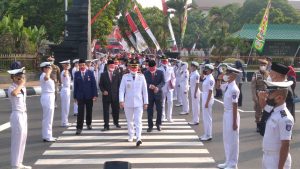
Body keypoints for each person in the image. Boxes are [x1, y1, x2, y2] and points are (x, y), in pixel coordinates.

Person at [262, 80, 294, 169]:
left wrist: (280, 167)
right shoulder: (273, 110)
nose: (267, 96)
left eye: (269, 94)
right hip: (267, 156)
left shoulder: (285, 118)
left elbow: (285, 145)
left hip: (276, 160)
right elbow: (263, 107)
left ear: (279, 98)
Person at [119, 59, 148, 146]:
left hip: (139, 102)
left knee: (138, 121)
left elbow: (145, 91)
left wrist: (146, 102)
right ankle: (131, 135)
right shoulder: (125, 77)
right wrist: (121, 101)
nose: (134, 68)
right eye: (132, 66)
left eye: (136, 67)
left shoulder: (141, 77)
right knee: (130, 120)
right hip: (128, 102)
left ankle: (138, 137)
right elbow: (121, 90)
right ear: (129, 67)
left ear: (138, 67)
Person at [258, 62, 292, 136]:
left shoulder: (285, 90)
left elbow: (285, 114)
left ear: (279, 76)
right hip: (268, 125)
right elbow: (267, 107)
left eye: (272, 74)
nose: (270, 76)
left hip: (277, 129)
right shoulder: (274, 86)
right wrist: (261, 98)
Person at [7, 65, 32, 169]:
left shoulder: (22, 88)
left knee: (23, 138)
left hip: (23, 114)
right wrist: (21, 84)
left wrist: (21, 84)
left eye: (22, 77)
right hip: (16, 114)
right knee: (17, 139)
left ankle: (19, 162)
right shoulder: (12, 88)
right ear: (14, 78)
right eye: (19, 77)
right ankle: (15, 164)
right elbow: (14, 93)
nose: (22, 79)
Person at [218, 65, 241, 169]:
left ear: (233, 75)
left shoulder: (234, 89)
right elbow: (218, 87)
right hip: (226, 113)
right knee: (226, 138)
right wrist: (220, 77)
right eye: (226, 73)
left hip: (232, 114)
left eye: (228, 74)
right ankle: (228, 161)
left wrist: (235, 121)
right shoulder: (228, 85)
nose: (226, 75)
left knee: (233, 140)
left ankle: (233, 163)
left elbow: (235, 105)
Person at [73, 59, 98, 135]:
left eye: (83, 65)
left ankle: (88, 124)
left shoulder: (90, 72)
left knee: (89, 111)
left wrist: (95, 95)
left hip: (89, 95)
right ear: (78, 66)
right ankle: (79, 128)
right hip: (80, 96)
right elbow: (75, 86)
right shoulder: (76, 74)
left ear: (85, 65)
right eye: (80, 65)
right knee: (80, 113)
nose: (82, 66)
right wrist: (75, 96)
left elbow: (93, 84)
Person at [99, 59, 121, 131]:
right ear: (108, 66)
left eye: (113, 65)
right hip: (106, 96)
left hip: (115, 95)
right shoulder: (103, 74)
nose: (112, 66)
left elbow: (120, 85)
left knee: (116, 110)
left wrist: (120, 94)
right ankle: (106, 125)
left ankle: (116, 122)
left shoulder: (117, 74)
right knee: (106, 111)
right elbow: (100, 84)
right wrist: (103, 90)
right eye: (110, 65)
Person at [144, 60, 165, 132]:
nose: (151, 70)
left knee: (159, 109)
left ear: (155, 66)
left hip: (158, 93)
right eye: (150, 68)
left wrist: (158, 87)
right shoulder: (145, 73)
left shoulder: (160, 72)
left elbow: (163, 82)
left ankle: (158, 124)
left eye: (153, 68)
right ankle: (150, 126)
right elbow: (143, 83)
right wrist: (149, 86)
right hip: (149, 94)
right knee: (149, 110)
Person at [40, 62, 57, 142]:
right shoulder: (44, 75)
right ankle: (47, 136)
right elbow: (46, 78)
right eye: (48, 68)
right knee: (48, 118)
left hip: (50, 96)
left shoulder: (47, 75)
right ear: (44, 68)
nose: (50, 69)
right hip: (47, 97)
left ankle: (46, 135)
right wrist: (49, 72)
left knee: (48, 117)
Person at [251, 59, 269, 132]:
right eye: (261, 65)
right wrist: (254, 96)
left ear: (266, 66)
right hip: (258, 94)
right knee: (258, 111)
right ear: (259, 65)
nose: (263, 66)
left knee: (267, 110)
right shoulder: (255, 74)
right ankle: (258, 125)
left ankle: (265, 124)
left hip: (267, 95)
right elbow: (253, 86)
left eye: (264, 65)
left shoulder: (268, 74)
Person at [158, 55, 176, 122]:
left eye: (166, 61)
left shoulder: (171, 68)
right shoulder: (159, 69)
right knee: (162, 102)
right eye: (163, 61)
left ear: (167, 61)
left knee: (170, 102)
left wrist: (173, 84)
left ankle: (169, 117)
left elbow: (173, 77)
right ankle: (163, 116)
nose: (165, 62)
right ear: (161, 61)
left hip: (169, 86)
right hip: (162, 87)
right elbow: (158, 79)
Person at [200, 64, 215, 141]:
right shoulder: (207, 77)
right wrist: (203, 72)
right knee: (205, 117)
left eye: (207, 69)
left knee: (207, 117)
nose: (206, 70)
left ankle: (208, 134)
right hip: (205, 96)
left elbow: (210, 91)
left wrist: (206, 102)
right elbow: (201, 78)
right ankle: (206, 133)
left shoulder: (211, 79)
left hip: (208, 98)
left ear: (210, 70)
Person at [59, 60, 71, 127]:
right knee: (65, 107)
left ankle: (65, 121)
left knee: (67, 107)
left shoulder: (67, 71)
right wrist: (66, 69)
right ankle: (64, 122)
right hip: (65, 90)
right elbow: (64, 75)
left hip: (67, 89)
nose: (69, 65)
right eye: (67, 64)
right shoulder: (64, 71)